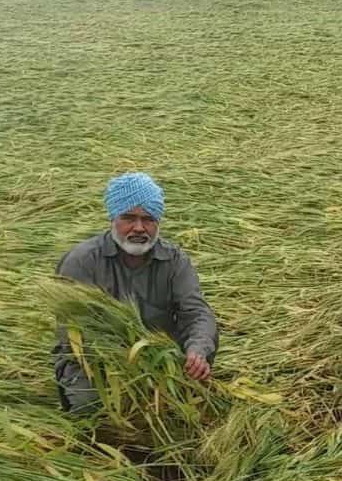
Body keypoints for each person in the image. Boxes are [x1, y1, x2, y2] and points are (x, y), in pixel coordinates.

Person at [53, 172, 219, 412]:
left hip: (159, 354)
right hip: (96, 360)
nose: (139, 228)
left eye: (148, 219)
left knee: (179, 404)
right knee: (91, 406)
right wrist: (124, 367)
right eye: (129, 218)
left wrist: (197, 351)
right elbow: (73, 331)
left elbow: (196, 312)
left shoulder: (174, 261)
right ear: (113, 218)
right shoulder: (82, 262)